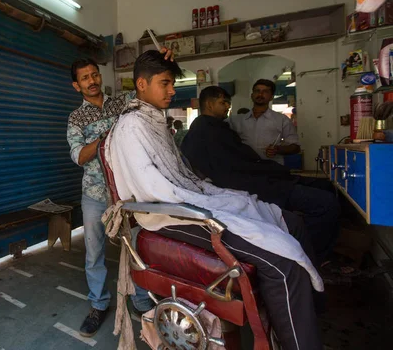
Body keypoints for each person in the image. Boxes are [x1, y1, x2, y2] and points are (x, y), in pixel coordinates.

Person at [107, 50, 323, 350]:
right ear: (141, 84)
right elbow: (151, 188)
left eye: (173, 83)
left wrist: (207, 194)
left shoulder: (155, 120)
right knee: (283, 262)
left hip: (186, 202)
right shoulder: (131, 126)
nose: (172, 90)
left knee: (292, 222)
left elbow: (178, 175)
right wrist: (199, 203)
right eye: (165, 83)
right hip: (167, 215)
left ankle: (306, 317)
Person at [66, 50, 173, 337]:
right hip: (95, 194)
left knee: (137, 246)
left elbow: (147, 90)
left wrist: (160, 65)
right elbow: (78, 156)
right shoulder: (76, 119)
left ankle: (139, 299)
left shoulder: (121, 103)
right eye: (85, 78)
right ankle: (99, 304)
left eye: (95, 75)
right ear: (76, 85)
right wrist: (104, 138)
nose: (92, 81)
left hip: (127, 192)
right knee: (94, 252)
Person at [181, 86, 340, 266]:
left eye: (228, 103)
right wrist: (271, 170)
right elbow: (235, 166)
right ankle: (312, 259)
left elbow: (238, 161)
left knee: (327, 186)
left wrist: (272, 168)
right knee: (326, 203)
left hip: (258, 177)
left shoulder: (216, 128)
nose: (227, 107)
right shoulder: (212, 130)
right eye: (223, 102)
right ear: (209, 104)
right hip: (254, 185)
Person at [230, 79, 300, 165]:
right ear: (252, 95)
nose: (260, 94)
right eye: (257, 91)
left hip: (272, 170)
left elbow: (295, 147)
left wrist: (277, 149)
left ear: (271, 97)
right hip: (246, 169)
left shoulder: (282, 120)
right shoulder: (237, 120)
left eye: (265, 91)